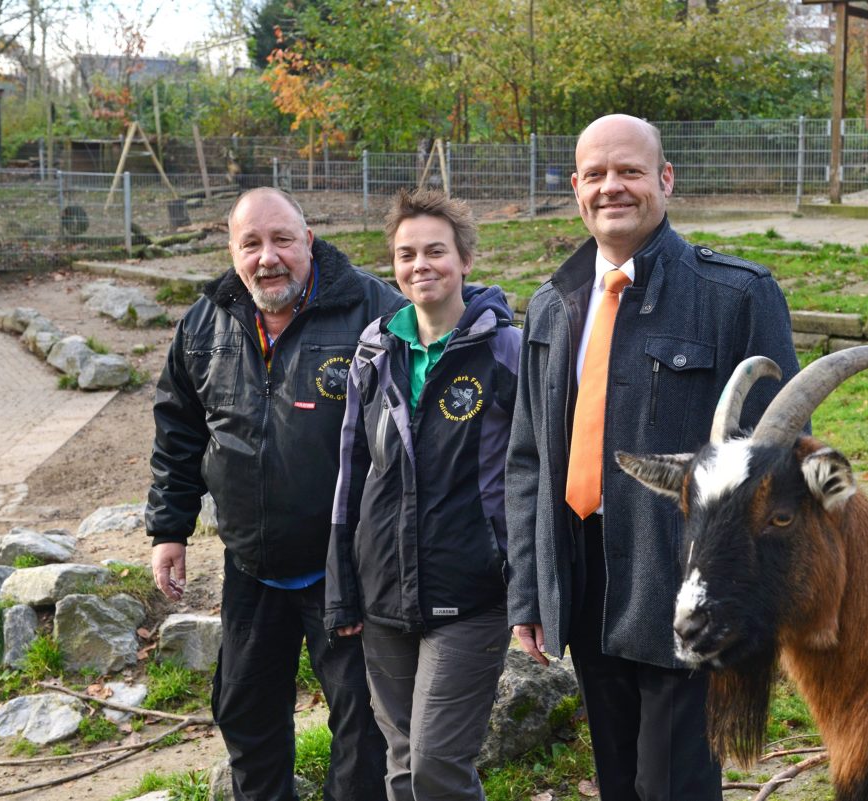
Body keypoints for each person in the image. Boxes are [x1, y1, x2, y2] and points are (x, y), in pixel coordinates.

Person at [505, 114, 802, 799]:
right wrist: (530, 586)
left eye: (631, 171)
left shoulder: (735, 296)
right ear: (576, 188)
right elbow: (527, 461)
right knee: (619, 780)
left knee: (673, 785)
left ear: (665, 180)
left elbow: (773, 466)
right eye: (597, 174)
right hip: (584, 584)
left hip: (683, 584)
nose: (614, 187)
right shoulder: (551, 305)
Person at [146, 186, 403, 801]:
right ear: (232, 251)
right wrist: (169, 530)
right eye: (251, 244)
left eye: (282, 240)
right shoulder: (206, 321)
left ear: (308, 241)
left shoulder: (372, 308)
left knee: (360, 723)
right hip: (251, 565)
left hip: (347, 567)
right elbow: (177, 428)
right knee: (245, 711)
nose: (268, 257)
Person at [325, 188, 520, 801]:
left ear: (465, 259)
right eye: (407, 253)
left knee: (437, 763)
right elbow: (350, 476)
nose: (420, 265)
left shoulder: (506, 352)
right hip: (384, 591)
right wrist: (342, 589)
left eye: (436, 250)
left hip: (471, 593)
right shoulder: (373, 353)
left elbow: (532, 473)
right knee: (404, 766)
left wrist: (530, 584)